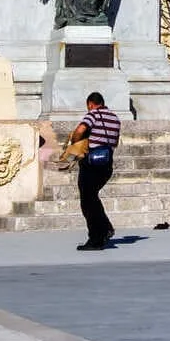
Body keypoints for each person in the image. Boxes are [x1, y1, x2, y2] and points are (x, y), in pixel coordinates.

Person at [66, 90, 121, 250]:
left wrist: (75, 142)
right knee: (92, 198)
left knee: (87, 200)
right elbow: (115, 142)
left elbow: (80, 130)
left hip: (91, 163)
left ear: (90, 104)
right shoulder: (115, 118)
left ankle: (96, 237)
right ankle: (105, 228)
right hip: (106, 163)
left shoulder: (93, 115)